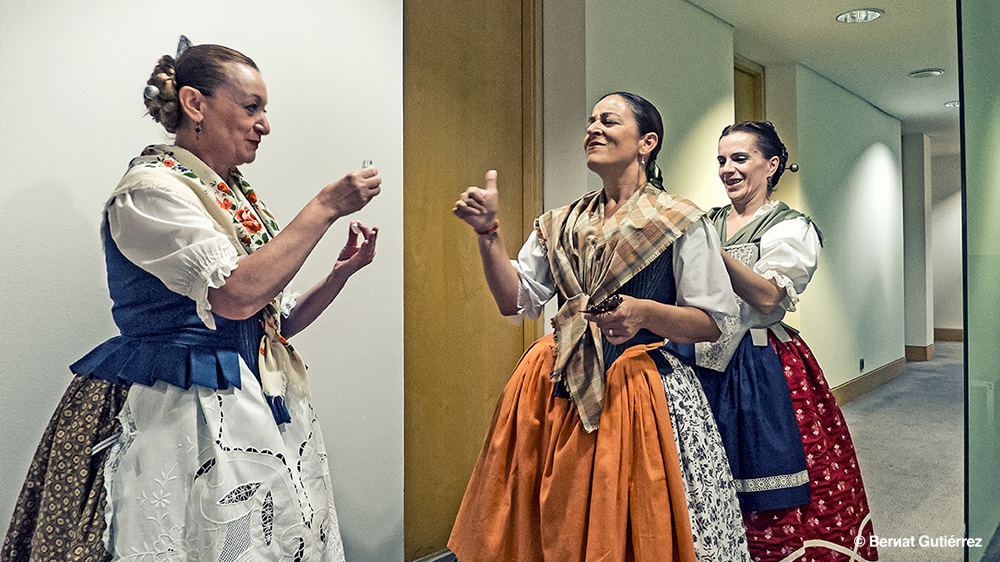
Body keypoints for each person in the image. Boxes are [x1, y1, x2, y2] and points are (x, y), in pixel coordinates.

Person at [3, 39, 380, 562]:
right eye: (251, 107)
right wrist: (324, 206)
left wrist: (339, 275)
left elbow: (269, 320)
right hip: (178, 402)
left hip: (246, 392)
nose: (264, 124)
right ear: (195, 104)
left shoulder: (230, 193)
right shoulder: (150, 192)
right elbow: (235, 296)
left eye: (263, 110)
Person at [449, 92, 750, 561]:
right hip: (552, 380)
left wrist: (645, 313)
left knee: (628, 512)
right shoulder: (561, 222)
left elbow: (711, 322)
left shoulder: (681, 220)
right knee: (543, 511)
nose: (592, 128)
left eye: (608, 120)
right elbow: (516, 301)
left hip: (636, 385)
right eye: (590, 120)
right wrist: (489, 236)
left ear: (646, 142)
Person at [695, 121, 877, 561]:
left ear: (771, 164)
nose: (728, 169)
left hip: (760, 364)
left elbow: (768, 294)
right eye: (722, 160)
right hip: (698, 361)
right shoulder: (708, 221)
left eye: (740, 158)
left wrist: (706, 250)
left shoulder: (792, 228)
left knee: (773, 475)